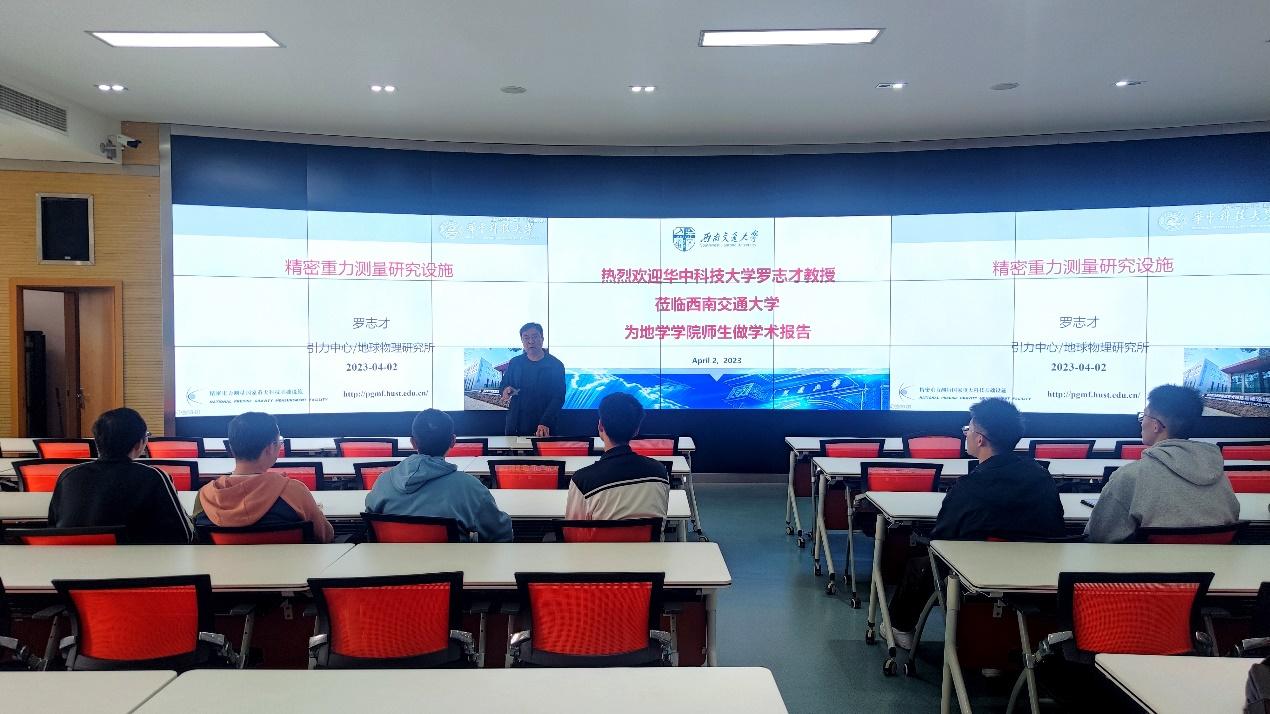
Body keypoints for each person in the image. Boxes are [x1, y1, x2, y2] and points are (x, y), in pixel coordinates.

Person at [886, 397, 1063, 646]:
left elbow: (942, 540)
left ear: (980, 439)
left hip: (977, 576)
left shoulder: (969, 487)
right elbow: (1056, 527)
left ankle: (899, 628)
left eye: (968, 429)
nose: (966, 434)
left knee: (921, 565)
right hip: (1038, 575)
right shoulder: (1042, 478)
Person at [1086, 384, 1239, 543]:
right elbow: (1233, 517)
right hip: (1215, 558)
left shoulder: (1129, 476)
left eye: (1144, 415)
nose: (1141, 422)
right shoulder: (1218, 476)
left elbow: (1099, 536)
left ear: (1156, 425)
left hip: (1146, 559)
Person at [47, 407, 196, 544]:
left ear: (97, 441)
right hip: (138, 563)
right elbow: (185, 535)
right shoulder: (154, 477)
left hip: (74, 562)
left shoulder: (68, 476)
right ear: (139, 443)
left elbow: (53, 528)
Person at [365, 409, 513, 542]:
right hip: (454, 564)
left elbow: (370, 528)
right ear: (453, 441)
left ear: (413, 442)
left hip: (393, 563)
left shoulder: (382, 482)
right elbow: (500, 533)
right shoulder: (470, 487)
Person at [192, 411, 333, 543]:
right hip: (286, 562)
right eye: (279, 441)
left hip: (226, 563)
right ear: (270, 448)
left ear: (231, 447)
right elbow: (325, 536)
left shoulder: (204, 496)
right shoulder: (294, 492)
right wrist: (315, 511)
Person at [566, 392, 669, 520]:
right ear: (636, 430)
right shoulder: (660, 472)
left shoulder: (582, 481)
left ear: (600, 426)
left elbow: (573, 528)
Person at [499, 322, 565, 437]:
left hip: (543, 426)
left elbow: (558, 397)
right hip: (515, 425)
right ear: (522, 341)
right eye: (526, 337)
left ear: (542, 339)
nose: (530, 341)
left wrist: (545, 422)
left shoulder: (555, 365)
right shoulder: (515, 362)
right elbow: (503, 385)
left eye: (534, 336)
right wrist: (505, 390)